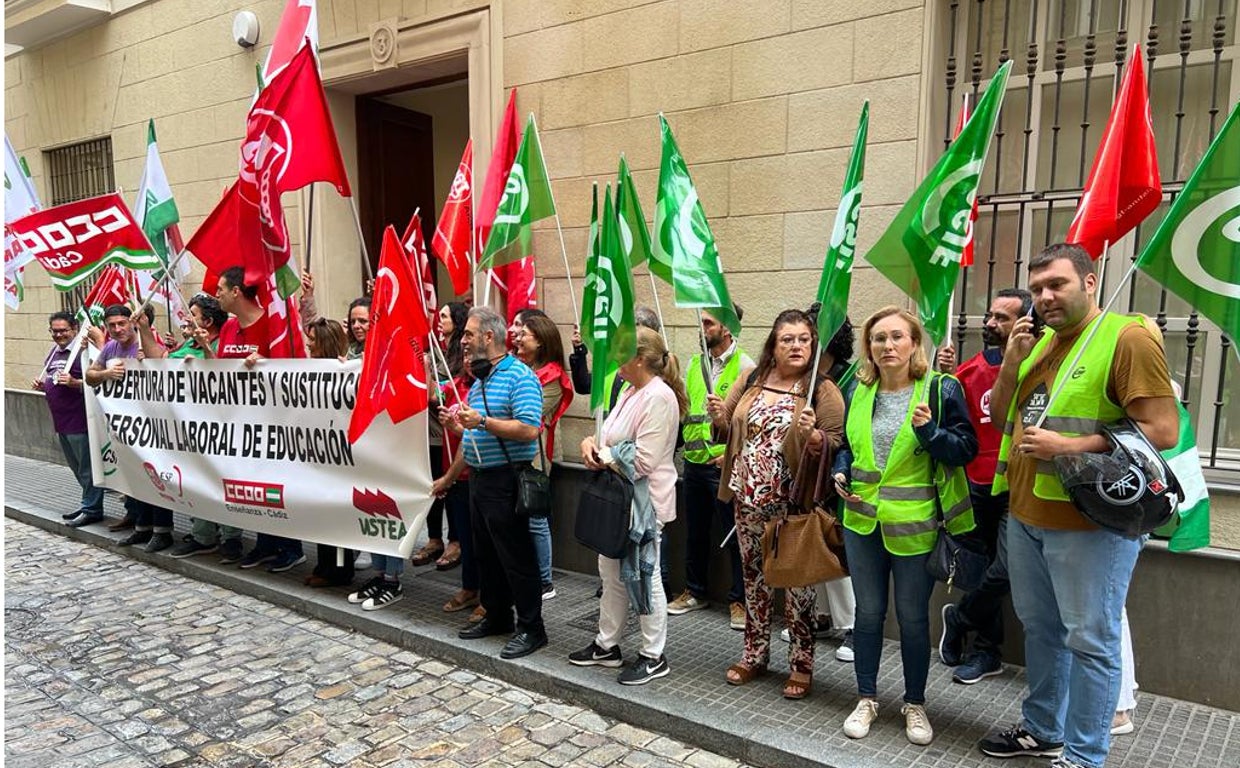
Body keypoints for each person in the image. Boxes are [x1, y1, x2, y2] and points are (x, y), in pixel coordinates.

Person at [978, 244, 1178, 768]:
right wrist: (1012, 365)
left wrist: (1069, 447)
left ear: (1090, 283)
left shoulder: (1126, 338)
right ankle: (1044, 729)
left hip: (1090, 525)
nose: (1045, 296)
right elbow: (1002, 420)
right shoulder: (1039, 344)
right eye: (1038, 287)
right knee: (1041, 630)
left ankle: (1085, 757)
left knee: (1091, 640)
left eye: (1058, 284)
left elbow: (1163, 431)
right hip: (1026, 516)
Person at [833, 306, 978, 746]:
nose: (888, 346)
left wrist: (931, 432)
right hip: (861, 521)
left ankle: (914, 704)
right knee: (868, 613)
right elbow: (847, 445)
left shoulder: (939, 389)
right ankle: (867, 698)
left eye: (897, 337)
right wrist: (840, 471)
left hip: (914, 526)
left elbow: (965, 448)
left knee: (914, 620)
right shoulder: (859, 389)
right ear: (869, 348)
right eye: (879, 339)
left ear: (915, 343)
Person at [707, 309, 845, 701]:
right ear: (774, 344)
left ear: (813, 344)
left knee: (799, 589)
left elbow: (837, 443)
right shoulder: (753, 378)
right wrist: (720, 417)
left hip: (793, 507)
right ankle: (755, 654)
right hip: (747, 500)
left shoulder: (821, 388)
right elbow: (727, 425)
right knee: (753, 582)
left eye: (803, 339)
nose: (796, 346)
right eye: (787, 339)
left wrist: (816, 439)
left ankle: (801, 664)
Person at [570, 327, 687, 684]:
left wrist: (602, 453)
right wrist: (590, 444)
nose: (613, 360)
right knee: (611, 572)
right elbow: (610, 436)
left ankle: (654, 655)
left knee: (645, 577)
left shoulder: (659, 397)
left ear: (639, 358)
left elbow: (644, 459)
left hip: (644, 505)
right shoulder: (632, 391)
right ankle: (607, 644)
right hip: (621, 500)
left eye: (620, 353)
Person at [935, 288, 1031, 684]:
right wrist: (941, 376)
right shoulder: (968, 371)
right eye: (990, 316)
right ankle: (986, 652)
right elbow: (948, 420)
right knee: (979, 569)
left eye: (1002, 318)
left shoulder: (1039, 366)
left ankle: (959, 617)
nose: (990, 324)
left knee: (1007, 568)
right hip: (974, 485)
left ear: (1026, 322)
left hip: (1016, 486)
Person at [442, 306, 547, 660]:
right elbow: (471, 438)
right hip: (480, 480)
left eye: (469, 334)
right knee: (486, 555)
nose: (464, 341)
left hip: (507, 479)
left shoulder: (520, 376)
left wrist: (483, 421)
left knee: (516, 557)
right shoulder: (481, 379)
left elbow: (530, 428)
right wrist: (451, 469)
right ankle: (498, 615)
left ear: (489, 337)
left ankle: (532, 628)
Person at [137, 294, 247, 561]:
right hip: (192, 432)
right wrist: (142, 328)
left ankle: (232, 537)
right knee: (198, 483)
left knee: (226, 484)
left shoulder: (225, 345)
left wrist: (205, 349)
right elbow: (160, 359)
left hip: (224, 431)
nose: (186, 318)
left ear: (207, 321)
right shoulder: (189, 344)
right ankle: (203, 536)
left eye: (193, 314)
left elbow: (226, 378)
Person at [213, 266, 306, 572]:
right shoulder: (228, 328)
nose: (217, 295)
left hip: (273, 425)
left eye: (221, 290)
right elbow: (223, 369)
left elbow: (291, 367)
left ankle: (291, 547)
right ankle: (265, 543)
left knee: (277, 488)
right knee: (252, 489)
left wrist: (266, 364)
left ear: (236, 292)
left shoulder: (272, 321)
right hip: (239, 426)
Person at [780, 311, 858, 662]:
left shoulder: (851, 379)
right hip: (811, 474)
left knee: (836, 546)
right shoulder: (808, 377)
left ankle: (853, 627)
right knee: (817, 542)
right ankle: (824, 617)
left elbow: (846, 434)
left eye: (807, 335)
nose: (799, 344)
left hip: (842, 474)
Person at [669, 305, 752, 631]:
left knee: (735, 536)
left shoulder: (746, 366)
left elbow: (749, 420)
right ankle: (695, 590)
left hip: (724, 466)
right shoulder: (693, 363)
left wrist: (735, 456)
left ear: (728, 328)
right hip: (693, 464)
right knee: (695, 533)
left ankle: (739, 600)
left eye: (708, 323)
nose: (701, 327)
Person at [84, 304, 177, 551]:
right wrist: (106, 372)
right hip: (128, 428)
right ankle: (142, 527)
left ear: (132, 322)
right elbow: (89, 375)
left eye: (122, 323)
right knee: (136, 477)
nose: (117, 329)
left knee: (157, 477)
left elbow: (163, 367)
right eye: (112, 325)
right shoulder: (111, 347)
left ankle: (162, 531)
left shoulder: (147, 341)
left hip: (154, 425)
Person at [514, 314, 573, 600]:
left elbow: (528, 414)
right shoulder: (521, 368)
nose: (517, 336)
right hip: (515, 453)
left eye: (523, 332)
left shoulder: (552, 376)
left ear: (540, 341)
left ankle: (545, 581)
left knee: (536, 517)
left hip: (536, 457)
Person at [300, 318, 356, 588]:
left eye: (312, 339)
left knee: (337, 514)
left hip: (340, 454)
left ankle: (340, 571)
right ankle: (324, 564)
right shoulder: (310, 369)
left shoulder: (345, 369)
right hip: (318, 453)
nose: (308, 344)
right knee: (321, 511)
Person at [35, 312, 104, 528]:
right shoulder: (55, 352)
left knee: (87, 468)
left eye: (63, 330)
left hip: (80, 420)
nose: (58, 335)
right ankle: (87, 503)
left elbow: (98, 383)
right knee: (76, 468)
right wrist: (44, 385)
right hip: (61, 420)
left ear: (74, 329)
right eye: (54, 331)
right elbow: (53, 378)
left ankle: (92, 509)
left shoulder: (83, 351)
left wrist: (75, 383)